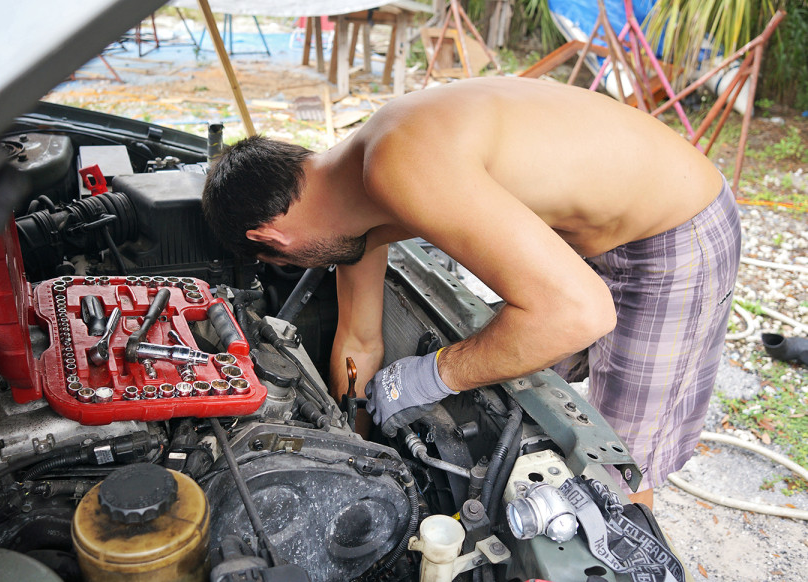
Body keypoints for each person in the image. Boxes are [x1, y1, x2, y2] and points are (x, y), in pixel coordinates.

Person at [202, 77, 741, 507]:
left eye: (279, 263)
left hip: (673, 234)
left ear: (268, 239)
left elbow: (576, 314)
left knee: (616, 472)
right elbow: (359, 342)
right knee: (527, 384)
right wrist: (358, 449)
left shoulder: (399, 162)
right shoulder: (350, 193)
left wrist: (432, 374)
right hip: (597, 233)